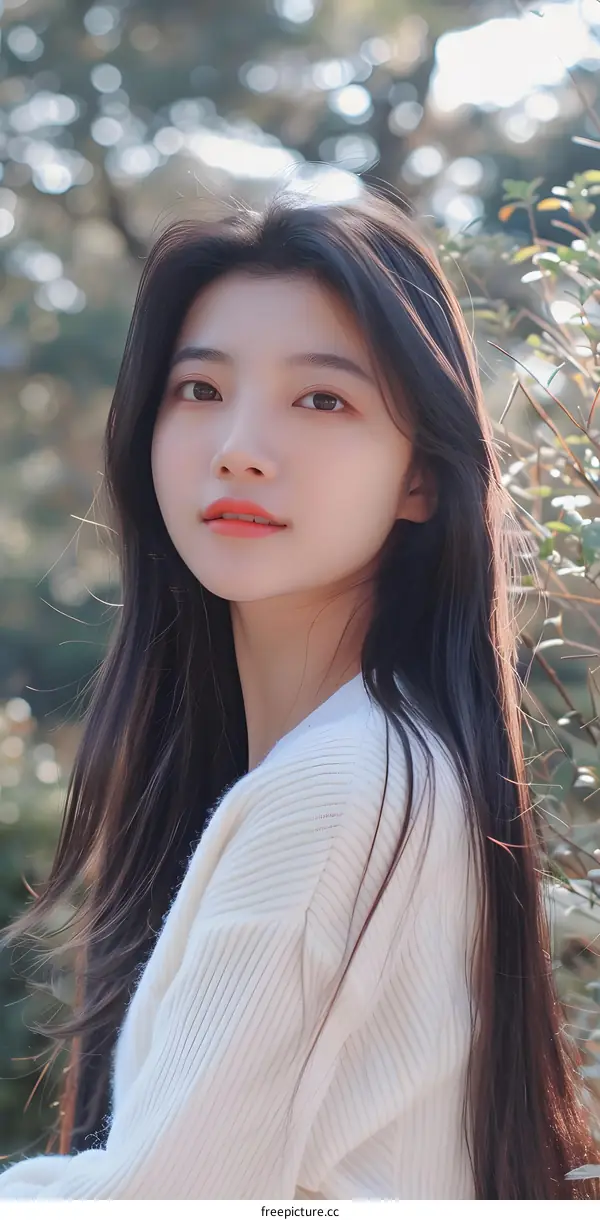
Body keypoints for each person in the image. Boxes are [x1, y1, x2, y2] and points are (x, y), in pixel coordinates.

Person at [0, 183, 598, 1200]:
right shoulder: (383, 766)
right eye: (198, 390)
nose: (239, 443)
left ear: (421, 476)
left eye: (322, 398)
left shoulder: (337, 791)